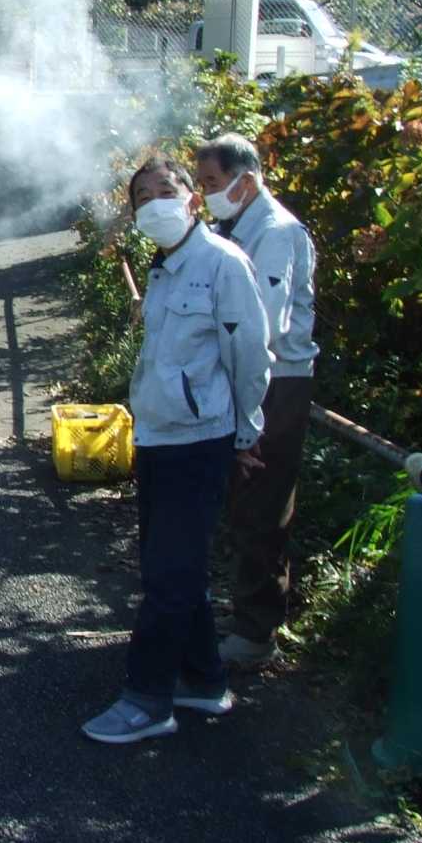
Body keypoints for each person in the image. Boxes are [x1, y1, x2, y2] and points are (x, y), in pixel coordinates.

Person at [82, 156, 271, 745]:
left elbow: (252, 357)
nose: (154, 202)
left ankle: (148, 697)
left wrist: (246, 432)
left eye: (167, 190)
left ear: (193, 199)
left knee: (170, 573)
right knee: (173, 567)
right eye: (142, 197)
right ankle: (204, 680)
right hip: (160, 438)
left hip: (200, 441)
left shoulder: (222, 264)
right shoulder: (163, 268)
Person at [195, 133, 319, 671]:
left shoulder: (275, 231)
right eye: (200, 185)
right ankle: (249, 616)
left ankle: (256, 632)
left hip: (275, 381)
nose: (204, 195)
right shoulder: (236, 225)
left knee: (263, 502)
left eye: (213, 184)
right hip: (245, 374)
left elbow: (264, 322)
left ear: (247, 181)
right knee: (244, 500)